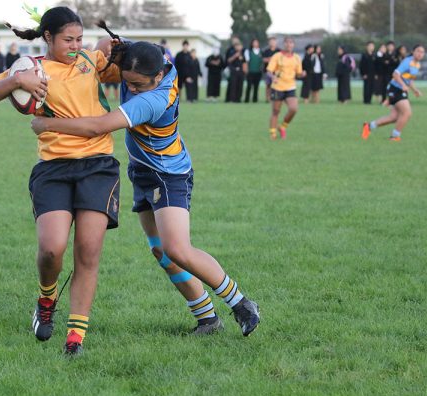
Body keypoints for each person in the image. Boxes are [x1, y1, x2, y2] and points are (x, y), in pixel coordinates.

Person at [31, 40, 261, 339]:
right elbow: (112, 47)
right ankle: (207, 318)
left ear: (157, 76)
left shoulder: (153, 100)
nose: (133, 89)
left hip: (168, 175)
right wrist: (107, 46)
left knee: (177, 248)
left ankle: (241, 303)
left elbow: (97, 127)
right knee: (161, 251)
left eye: (138, 84)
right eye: (128, 83)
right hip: (143, 173)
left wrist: (47, 124)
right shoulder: (153, 58)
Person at [0, 7, 122, 356]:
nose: (75, 46)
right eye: (67, 40)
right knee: (51, 249)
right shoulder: (32, 68)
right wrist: (15, 82)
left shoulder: (90, 60)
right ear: (48, 38)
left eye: (79, 39)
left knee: (88, 250)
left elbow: (126, 67)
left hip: (98, 165)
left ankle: (75, 337)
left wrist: (116, 48)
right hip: (53, 168)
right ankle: (46, 297)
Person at [362, 45, 425, 142]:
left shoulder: (417, 65)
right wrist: (403, 85)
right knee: (407, 113)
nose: (420, 54)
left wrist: (415, 90)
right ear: (413, 51)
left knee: (394, 117)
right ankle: (395, 136)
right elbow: (395, 74)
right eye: (418, 51)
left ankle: (369, 126)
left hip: (401, 90)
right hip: (395, 89)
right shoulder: (407, 62)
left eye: (422, 52)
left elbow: (409, 79)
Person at [266, 36, 305, 140]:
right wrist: (273, 77)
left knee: (293, 109)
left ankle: (282, 127)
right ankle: (273, 133)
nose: (289, 44)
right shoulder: (277, 56)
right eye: (287, 42)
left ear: (293, 45)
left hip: (290, 87)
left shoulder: (297, 58)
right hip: (278, 87)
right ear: (284, 44)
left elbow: (299, 73)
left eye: (291, 43)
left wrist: (302, 74)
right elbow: (269, 71)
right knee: (276, 111)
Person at [225, 37, 245, 103]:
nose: (238, 47)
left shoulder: (243, 52)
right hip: (233, 70)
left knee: (240, 85)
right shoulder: (231, 51)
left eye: (239, 45)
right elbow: (228, 60)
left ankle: (238, 99)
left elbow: (244, 61)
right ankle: (231, 99)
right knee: (233, 85)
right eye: (236, 45)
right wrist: (235, 56)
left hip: (241, 71)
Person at [244, 38, 263, 103]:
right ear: (252, 44)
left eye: (256, 42)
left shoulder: (261, 51)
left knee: (256, 86)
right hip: (250, 71)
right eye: (254, 42)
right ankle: (246, 99)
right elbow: (246, 62)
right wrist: (246, 70)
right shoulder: (248, 51)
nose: (255, 44)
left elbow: (262, 61)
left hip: (258, 72)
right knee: (249, 86)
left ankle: (255, 100)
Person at [262, 37, 280, 102]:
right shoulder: (266, 51)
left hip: (277, 71)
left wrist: (272, 60)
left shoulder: (279, 51)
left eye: (273, 42)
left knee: (277, 86)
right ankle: (268, 98)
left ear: (276, 42)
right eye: (271, 42)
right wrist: (271, 59)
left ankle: (277, 98)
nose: (272, 43)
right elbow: (264, 60)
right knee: (268, 85)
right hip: (268, 71)